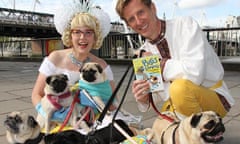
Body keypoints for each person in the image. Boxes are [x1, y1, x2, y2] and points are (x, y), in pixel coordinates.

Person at [115, 0, 234, 118]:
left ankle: (202, 132)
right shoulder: (144, 52)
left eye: (141, 12)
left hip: (213, 96)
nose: (138, 21)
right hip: (179, 104)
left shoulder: (185, 25)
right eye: (131, 19)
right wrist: (144, 98)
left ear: (153, 8)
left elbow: (195, 74)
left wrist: (158, 64)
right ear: (129, 25)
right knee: (159, 129)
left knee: (179, 89)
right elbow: (157, 94)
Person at [32, 1, 115, 123]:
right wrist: (49, 113)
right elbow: (36, 94)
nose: (83, 37)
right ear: (70, 35)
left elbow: (113, 101)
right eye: (77, 32)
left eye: (88, 32)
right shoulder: (55, 58)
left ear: (95, 36)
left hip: (90, 122)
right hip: (53, 122)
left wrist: (94, 109)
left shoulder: (101, 65)